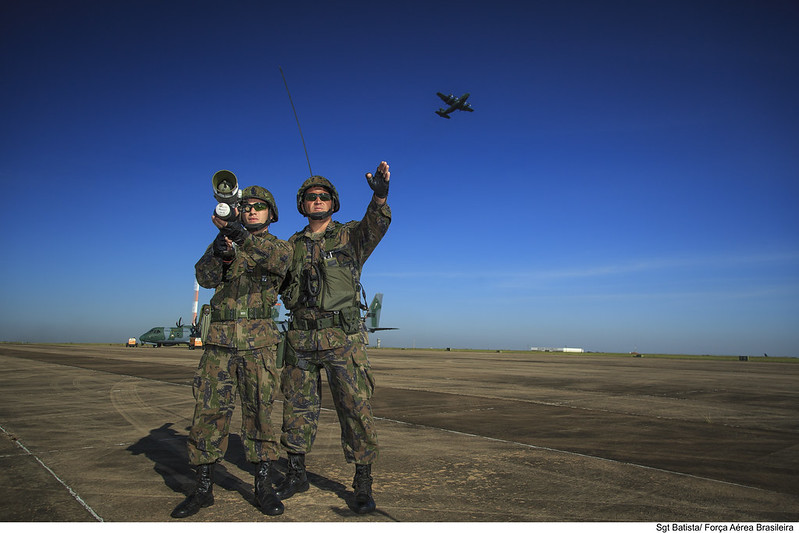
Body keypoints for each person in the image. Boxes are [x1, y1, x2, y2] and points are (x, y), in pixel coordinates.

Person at [276, 161, 392, 514]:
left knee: (355, 409)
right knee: (296, 408)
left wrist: (380, 196)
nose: (317, 200)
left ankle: (362, 481)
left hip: (343, 337)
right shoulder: (290, 246)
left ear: (333, 202)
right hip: (301, 338)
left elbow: (376, 225)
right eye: (311, 197)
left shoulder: (350, 237)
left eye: (323, 196)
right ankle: (296, 473)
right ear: (302, 204)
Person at [171, 184, 292, 518]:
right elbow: (204, 276)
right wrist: (220, 249)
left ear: (271, 213)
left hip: (259, 343)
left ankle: (263, 486)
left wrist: (240, 237)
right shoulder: (226, 242)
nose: (252, 210)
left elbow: (279, 263)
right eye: (246, 206)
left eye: (259, 206)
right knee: (209, 413)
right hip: (220, 341)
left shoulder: (279, 247)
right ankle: (203, 487)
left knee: (260, 414)